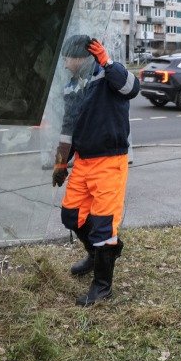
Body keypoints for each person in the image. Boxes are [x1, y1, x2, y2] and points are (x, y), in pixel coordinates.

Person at [53, 34, 139, 306]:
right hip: (83, 162)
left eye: (67, 58)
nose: (65, 64)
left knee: (103, 224)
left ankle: (102, 286)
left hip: (109, 162)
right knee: (71, 216)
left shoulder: (107, 75)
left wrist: (108, 61)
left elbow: (132, 88)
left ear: (81, 57)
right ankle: (98, 253)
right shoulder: (71, 86)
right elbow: (68, 127)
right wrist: (60, 161)